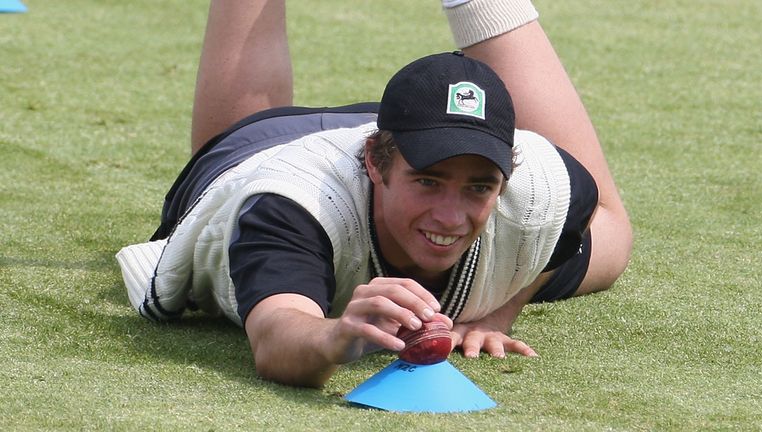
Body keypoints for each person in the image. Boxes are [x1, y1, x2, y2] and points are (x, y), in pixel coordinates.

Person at [117, 0, 632, 388]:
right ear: (375, 161)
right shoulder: (292, 207)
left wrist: (494, 312)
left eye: (478, 186)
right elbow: (276, 341)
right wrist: (335, 334)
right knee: (240, 137)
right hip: (252, 155)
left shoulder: (543, 185)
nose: (451, 216)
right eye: (428, 181)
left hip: (402, 133)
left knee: (612, 243)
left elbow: (575, 208)